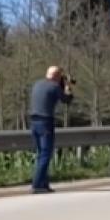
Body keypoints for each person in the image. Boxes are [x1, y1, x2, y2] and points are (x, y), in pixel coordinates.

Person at [28, 65, 73, 193]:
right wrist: (67, 88)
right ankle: (37, 184)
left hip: (34, 122)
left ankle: (44, 183)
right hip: (45, 122)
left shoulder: (37, 84)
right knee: (46, 154)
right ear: (57, 76)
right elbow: (66, 100)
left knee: (40, 153)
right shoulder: (54, 87)